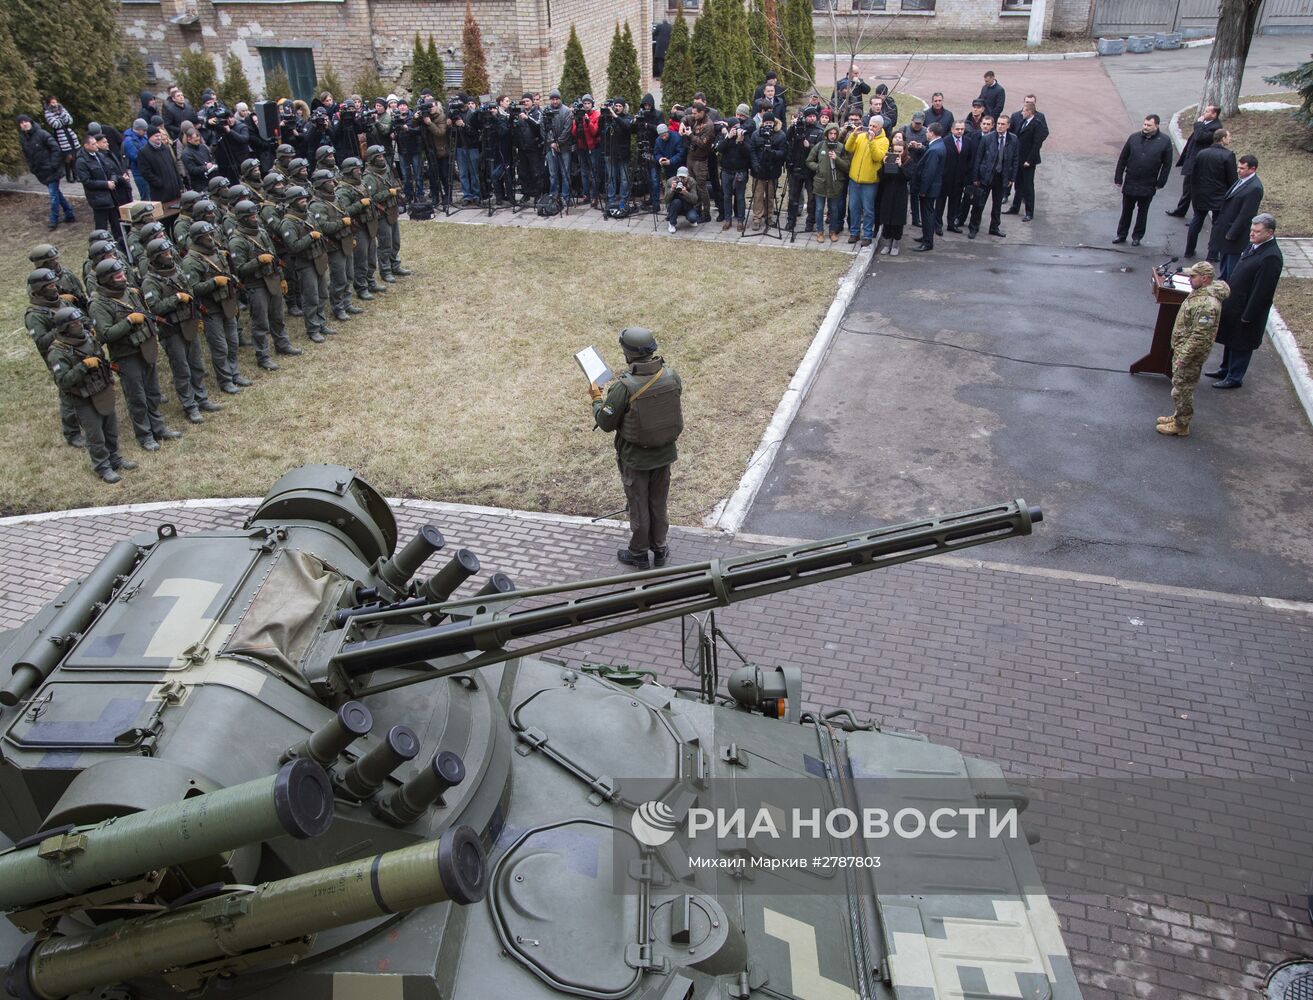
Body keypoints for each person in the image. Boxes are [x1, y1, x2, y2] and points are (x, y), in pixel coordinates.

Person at [588, 327, 683, 570]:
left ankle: (639, 553)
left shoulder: (623, 387)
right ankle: (660, 549)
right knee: (658, 504)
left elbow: (606, 422)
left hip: (636, 459)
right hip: (664, 455)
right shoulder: (671, 376)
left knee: (639, 506)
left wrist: (597, 399)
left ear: (627, 354)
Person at [88, 259, 181, 452]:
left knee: (153, 391)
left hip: (145, 348)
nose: (123, 277)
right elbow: (105, 334)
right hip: (126, 355)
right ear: (107, 280)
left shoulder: (131, 293)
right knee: (136, 396)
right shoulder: (98, 305)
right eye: (118, 276)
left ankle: (158, 427)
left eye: (123, 274)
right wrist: (129, 322)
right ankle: (145, 434)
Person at [46, 307, 136, 483]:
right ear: (65, 328)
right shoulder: (57, 352)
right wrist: (83, 366)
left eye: (80, 321)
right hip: (82, 397)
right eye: (75, 323)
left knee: (110, 428)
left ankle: (115, 458)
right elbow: (63, 381)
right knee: (95, 434)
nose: (80, 324)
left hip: (102, 389)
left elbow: (102, 359)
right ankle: (102, 466)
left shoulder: (89, 338)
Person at [140, 236, 218, 424]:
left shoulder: (177, 271)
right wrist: (176, 298)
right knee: (182, 370)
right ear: (155, 258)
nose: (169, 256)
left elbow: (190, 293)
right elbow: (155, 308)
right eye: (165, 254)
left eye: (169, 252)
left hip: (188, 323)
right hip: (172, 330)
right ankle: (190, 406)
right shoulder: (150, 282)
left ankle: (202, 398)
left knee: (196, 364)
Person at [1155, 261, 1230, 437]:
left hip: (1189, 354)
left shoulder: (1207, 305)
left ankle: (1181, 425)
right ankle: (1178, 415)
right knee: (1180, 387)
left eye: (1193, 276)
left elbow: (1200, 336)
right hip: (1184, 349)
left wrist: (1183, 357)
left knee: (1182, 389)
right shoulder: (1200, 292)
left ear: (1204, 279)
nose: (1189, 279)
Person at [1209, 213, 1282, 389]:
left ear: (1269, 233)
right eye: (1251, 230)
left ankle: (1234, 377)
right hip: (1235, 305)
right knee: (1230, 339)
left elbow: (1262, 291)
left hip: (1247, 310)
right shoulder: (1255, 246)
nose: (1252, 234)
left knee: (1241, 343)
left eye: (1257, 231)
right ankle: (1225, 369)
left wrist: (1249, 315)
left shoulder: (1271, 257)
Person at [228, 199, 301, 368]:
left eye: (255, 214)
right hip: (256, 285)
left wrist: (281, 277)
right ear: (242, 218)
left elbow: (275, 257)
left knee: (278, 316)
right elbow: (239, 270)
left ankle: (282, 344)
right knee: (260, 323)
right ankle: (263, 356)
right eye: (250, 215)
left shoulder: (261, 232)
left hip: (272, 279)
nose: (254, 217)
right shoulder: (236, 241)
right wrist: (258, 261)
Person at [182, 219, 250, 389]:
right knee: (220, 347)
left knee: (233, 342)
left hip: (226, 303)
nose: (211, 237)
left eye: (211, 234)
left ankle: (234, 373)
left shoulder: (218, 253)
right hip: (210, 309)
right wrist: (214, 283)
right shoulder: (191, 262)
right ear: (198, 238)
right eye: (206, 236)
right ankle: (225, 380)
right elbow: (193, 289)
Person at [26, 267, 85, 447]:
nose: (55, 287)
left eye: (54, 283)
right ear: (40, 289)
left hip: (79, 348)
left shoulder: (62, 302)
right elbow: (42, 342)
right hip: (59, 355)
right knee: (68, 393)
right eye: (50, 285)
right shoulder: (34, 315)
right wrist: (61, 327)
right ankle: (72, 432)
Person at [278, 186, 332, 343]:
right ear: (292, 202)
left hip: (319, 258)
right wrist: (310, 237)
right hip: (305, 262)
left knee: (323, 293)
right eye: (300, 200)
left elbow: (320, 231)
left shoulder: (308, 216)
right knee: (311, 297)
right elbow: (293, 246)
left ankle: (321, 322)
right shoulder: (287, 223)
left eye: (304, 199)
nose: (304, 202)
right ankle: (313, 328)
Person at [1113, 115, 1173, 246]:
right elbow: (1123, 158)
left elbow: (1167, 164)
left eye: (1149, 125)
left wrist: (1160, 182)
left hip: (1148, 183)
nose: (1145, 127)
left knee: (1142, 212)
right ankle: (1121, 234)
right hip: (1131, 181)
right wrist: (1118, 177)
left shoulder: (1164, 141)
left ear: (1156, 126)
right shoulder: (1133, 138)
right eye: (1144, 124)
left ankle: (1137, 236)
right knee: (1126, 211)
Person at [308, 170, 358, 323]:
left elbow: (346, 214)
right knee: (339, 278)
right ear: (320, 184)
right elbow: (324, 227)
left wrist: (351, 234)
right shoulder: (317, 205)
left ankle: (347, 302)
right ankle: (338, 307)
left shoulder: (336, 198)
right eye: (328, 181)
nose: (333, 183)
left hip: (346, 240)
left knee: (349, 274)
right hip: (334, 245)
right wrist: (342, 223)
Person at [1207, 154, 1263, 280]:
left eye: (1242, 168)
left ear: (1252, 169)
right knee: (1224, 265)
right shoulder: (1242, 181)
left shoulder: (1254, 188)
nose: (1238, 171)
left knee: (1231, 269)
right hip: (1225, 231)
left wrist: (1232, 233)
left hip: (1234, 236)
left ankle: (1228, 292)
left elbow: (1246, 215)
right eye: (1238, 167)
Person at [1183, 129, 1235, 260]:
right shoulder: (1228, 155)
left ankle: (1189, 250)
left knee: (1197, 220)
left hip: (1200, 193)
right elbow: (1232, 179)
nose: (1230, 139)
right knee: (1217, 225)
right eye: (1228, 137)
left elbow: (1194, 174)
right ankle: (1212, 254)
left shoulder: (1202, 153)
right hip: (1219, 195)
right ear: (1222, 139)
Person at [18, 114, 76, 229]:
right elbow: (27, 155)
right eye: (21, 122)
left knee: (53, 195)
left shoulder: (42, 134)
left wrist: (53, 164)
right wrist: (32, 168)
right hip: (40, 171)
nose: (24, 124)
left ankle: (53, 220)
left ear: (30, 121)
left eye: (26, 121)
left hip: (51, 170)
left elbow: (55, 148)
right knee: (57, 194)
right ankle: (69, 214)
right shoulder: (23, 138)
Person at [363, 144, 409, 281]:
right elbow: (371, 198)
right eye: (379, 156)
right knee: (385, 243)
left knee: (396, 241)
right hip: (381, 214)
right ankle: (385, 270)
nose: (382, 158)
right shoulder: (368, 177)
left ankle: (395, 264)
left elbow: (392, 183)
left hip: (392, 209)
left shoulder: (386, 169)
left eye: (383, 155)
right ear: (372, 159)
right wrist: (388, 193)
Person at [1168, 104, 1223, 217]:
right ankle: (1181, 210)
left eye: (1207, 111)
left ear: (1214, 114)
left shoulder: (1215, 127)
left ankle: (1196, 217)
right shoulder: (1206, 124)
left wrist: (1198, 123)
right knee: (1188, 188)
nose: (1204, 113)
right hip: (1193, 160)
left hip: (1200, 164)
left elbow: (1199, 137)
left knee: (1195, 190)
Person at [75, 133, 128, 248]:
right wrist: (106, 184)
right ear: (86, 145)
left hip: (112, 196)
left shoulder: (100, 155)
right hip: (98, 199)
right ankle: (101, 248)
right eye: (93, 144)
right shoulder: (81, 161)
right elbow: (87, 181)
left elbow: (111, 170)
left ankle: (122, 248)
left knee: (117, 224)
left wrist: (113, 181)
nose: (96, 146)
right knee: (101, 227)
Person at [968, 115, 1017, 240]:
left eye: (1003, 124)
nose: (1000, 126)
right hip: (986, 176)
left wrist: (1012, 178)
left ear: (1008, 126)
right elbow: (978, 159)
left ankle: (994, 227)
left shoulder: (1013, 139)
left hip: (1002, 177)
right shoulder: (988, 139)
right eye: (999, 123)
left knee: (997, 205)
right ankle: (973, 228)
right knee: (979, 204)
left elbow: (1015, 160)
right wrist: (976, 177)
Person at [844, 115, 887, 248]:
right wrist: (853, 136)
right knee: (853, 207)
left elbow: (877, 157)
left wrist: (872, 141)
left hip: (870, 181)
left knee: (868, 210)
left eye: (874, 126)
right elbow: (848, 148)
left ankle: (867, 235)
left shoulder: (884, 141)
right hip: (854, 179)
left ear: (880, 127)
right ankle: (854, 232)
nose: (871, 128)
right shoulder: (862, 136)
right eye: (870, 125)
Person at [1007, 95, 1049, 221]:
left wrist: (1029, 160)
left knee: (1028, 186)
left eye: (1024, 111)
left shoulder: (1037, 124)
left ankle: (1029, 212)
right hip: (1019, 158)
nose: (1022, 113)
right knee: (1018, 184)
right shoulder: (1024, 121)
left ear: (1030, 112)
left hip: (1028, 160)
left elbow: (1037, 144)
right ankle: (1015, 207)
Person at [807, 121, 849, 243]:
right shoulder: (820, 146)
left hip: (835, 183)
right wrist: (818, 167)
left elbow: (847, 166)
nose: (832, 136)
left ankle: (832, 231)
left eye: (835, 133)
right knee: (819, 209)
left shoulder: (841, 147)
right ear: (826, 134)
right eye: (830, 133)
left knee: (834, 209)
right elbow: (809, 161)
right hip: (820, 183)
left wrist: (837, 159)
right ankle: (820, 231)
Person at [746, 111, 786, 232]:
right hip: (759, 171)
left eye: (770, 122)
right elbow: (752, 151)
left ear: (774, 123)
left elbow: (783, 152)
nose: (768, 124)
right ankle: (757, 218)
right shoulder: (756, 134)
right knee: (757, 195)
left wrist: (772, 153)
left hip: (773, 170)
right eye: (766, 122)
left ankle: (769, 216)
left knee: (770, 195)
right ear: (763, 123)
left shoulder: (780, 135)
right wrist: (755, 165)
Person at [784, 105, 821, 233]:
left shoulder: (819, 130)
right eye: (809, 116)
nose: (812, 118)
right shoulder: (797, 128)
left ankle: (810, 222)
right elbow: (788, 140)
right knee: (793, 198)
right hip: (796, 167)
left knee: (812, 199)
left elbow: (820, 150)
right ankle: (791, 220)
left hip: (811, 170)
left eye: (814, 116)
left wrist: (809, 146)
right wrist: (792, 126)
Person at [716, 106, 753, 232]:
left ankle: (740, 221)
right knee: (727, 196)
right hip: (726, 171)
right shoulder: (725, 137)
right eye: (734, 127)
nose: (737, 129)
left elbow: (748, 153)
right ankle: (728, 219)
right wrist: (728, 137)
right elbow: (719, 149)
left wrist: (741, 141)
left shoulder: (743, 136)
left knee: (740, 197)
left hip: (740, 171)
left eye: (738, 126)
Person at [875, 132, 909, 256]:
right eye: (895, 151)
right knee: (887, 217)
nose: (897, 154)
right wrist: (885, 165)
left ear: (904, 151)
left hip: (900, 194)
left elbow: (908, 177)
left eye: (900, 152)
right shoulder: (889, 159)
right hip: (888, 193)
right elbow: (881, 177)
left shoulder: (908, 161)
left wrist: (900, 167)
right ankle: (887, 241)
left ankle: (896, 243)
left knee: (897, 219)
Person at [913, 123, 945, 252]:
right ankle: (926, 236)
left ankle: (928, 242)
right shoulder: (936, 146)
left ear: (932, 133)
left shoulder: (934, 150)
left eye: (927, 132)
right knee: (927, 213)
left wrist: (923, 191)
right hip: (932, 188)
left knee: (927, 214)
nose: (926, 133)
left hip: (929, 189)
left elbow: (929, 172)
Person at [682, 102, 715, 225]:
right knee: (692, 185)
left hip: (700, 161)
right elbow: (685, 117)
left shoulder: (708, 125)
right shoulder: (696, 119)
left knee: (701, 187)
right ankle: (696, 209)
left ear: (702, 112)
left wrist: (690, 135)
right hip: (691, 157)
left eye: (695, 113)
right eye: (693, 113)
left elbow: (702, 143)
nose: (693, 115)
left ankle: (706, 213)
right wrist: (682, 124)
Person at [601, 98, 634, 217]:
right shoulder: (609, 118)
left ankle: (623, 200)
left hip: (623, 153)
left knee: (624, 178)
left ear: (623, 107)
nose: (618, 108)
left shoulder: (627, 118)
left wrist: (615, 116)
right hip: (610, 152)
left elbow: (627, 127)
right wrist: (603, 115)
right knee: (611, 178)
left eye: (620, 106)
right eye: (616, 106)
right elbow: (601, 130)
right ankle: (611, 199)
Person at [136, 125, 182, 204]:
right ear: (149, 137)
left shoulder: (165, 148)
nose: (159, 138)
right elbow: (145, 172)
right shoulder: (144, 152)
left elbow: (173, 166)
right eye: (156, 136)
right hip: (161, 192)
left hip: (174, 190)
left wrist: (179, 183)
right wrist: (159, 183)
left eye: (159, 135)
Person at [542, 90, 573, 206]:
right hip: (550, 148)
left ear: (560, 99)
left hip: (564, 147)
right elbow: (543, 128)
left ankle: (566, 196)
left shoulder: (566, 111)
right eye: (553, 99)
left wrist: (558, 142)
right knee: (553, 173)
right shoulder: (546, 111)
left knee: (565, 173)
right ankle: (554, 195)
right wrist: (551, 143)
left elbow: (567, 129)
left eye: (556, 99)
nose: (555, 101)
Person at [941, 119, 970, 234]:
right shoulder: (945, 141)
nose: (960, 131)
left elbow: (969, 160)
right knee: (940, 203)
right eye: (957, 129)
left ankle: (951, 224)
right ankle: (938, 225)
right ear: (952, 129)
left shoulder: (968, 142)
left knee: (955, 203)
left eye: (962, 129)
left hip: (959, 179)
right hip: (946, 178)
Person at [42, 96, 79, 182]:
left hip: (69, 132)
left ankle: (75, 175)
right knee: (68, 156)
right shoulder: (47, 112)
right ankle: (68, 176)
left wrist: (61, 114)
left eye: (55, 102)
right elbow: (55, 124)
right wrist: (61, 120)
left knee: (74, 155)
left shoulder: (62, 109)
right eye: (53, 103)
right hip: (60, 134)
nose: (55, 104)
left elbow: (69, 121)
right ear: (49, 104)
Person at [666, 165, 700, 233]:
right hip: (674, 205)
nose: (681, 179)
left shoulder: (692, 182)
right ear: (677, 176)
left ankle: (688, 216)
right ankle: (672, 223)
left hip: (687, 205)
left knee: (693, 218)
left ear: (688, 176)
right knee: (676, 202)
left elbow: (695, 200)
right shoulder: (670, 181)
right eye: (680, 177)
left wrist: (686, 193)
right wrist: (672, 189)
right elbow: (666, 200)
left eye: (684, 177)